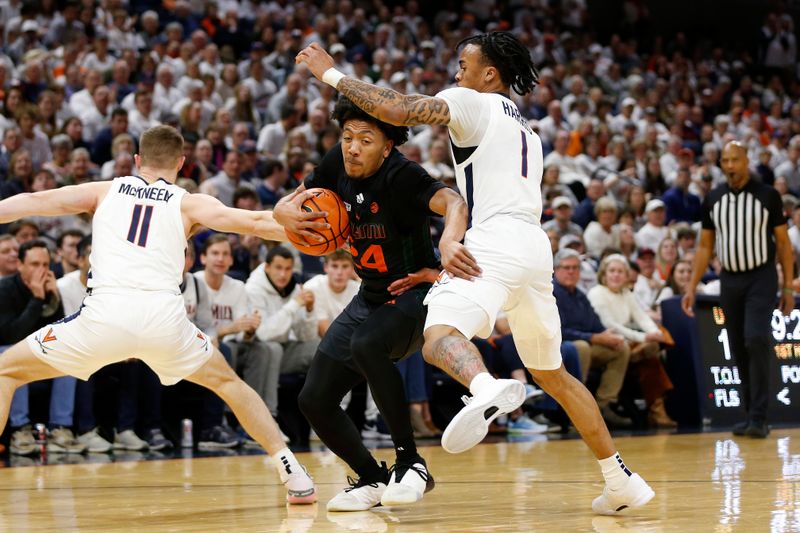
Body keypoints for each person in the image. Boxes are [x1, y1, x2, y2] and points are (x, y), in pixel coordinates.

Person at [295, 32, 654, 514]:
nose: (456, 73)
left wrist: (331, 75)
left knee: (439, 334)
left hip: (495, 239)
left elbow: (398, 110)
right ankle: (619, 479)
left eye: (464, 64)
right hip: (535, 246)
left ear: (490, 74)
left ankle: (485, 389)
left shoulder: (473, 102)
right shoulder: (526, 128)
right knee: (555, 374)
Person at [0, 125, 322, 504]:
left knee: (7, 371)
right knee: (229, 384)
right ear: (182, 164)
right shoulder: (188, 202)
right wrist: (296, 222)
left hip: (103, 319)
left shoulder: (103, 190)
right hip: (164, 325)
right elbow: (255, 223)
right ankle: (293, 472)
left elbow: (35, 201)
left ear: (137, 161)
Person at [275, 96, 476, 511]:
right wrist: (282, 211)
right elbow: (293, 201)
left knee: (366, 344)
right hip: (370, 296)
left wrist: (447, 246)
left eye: (365, 139)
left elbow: (455, 202)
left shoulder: (402, 176)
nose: (352, 147)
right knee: (313, 399)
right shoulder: (336, 163)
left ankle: (411, 462)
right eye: (347, 136)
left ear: (387, 146)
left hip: (415, 294)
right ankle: (371, 477)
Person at [683, 141, 795, 438]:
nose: (730, 165)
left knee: (755, 338)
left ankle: (760, 416)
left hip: (761, 276)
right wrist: (691, 287)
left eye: (736, 159)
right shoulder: (714, 198)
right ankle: (750, 414)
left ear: (747, 161)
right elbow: (705, 246)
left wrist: (787, 288)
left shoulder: (768, 196)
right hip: (730, 279)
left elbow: (783, 244)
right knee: (737, 345)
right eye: (726, 160)